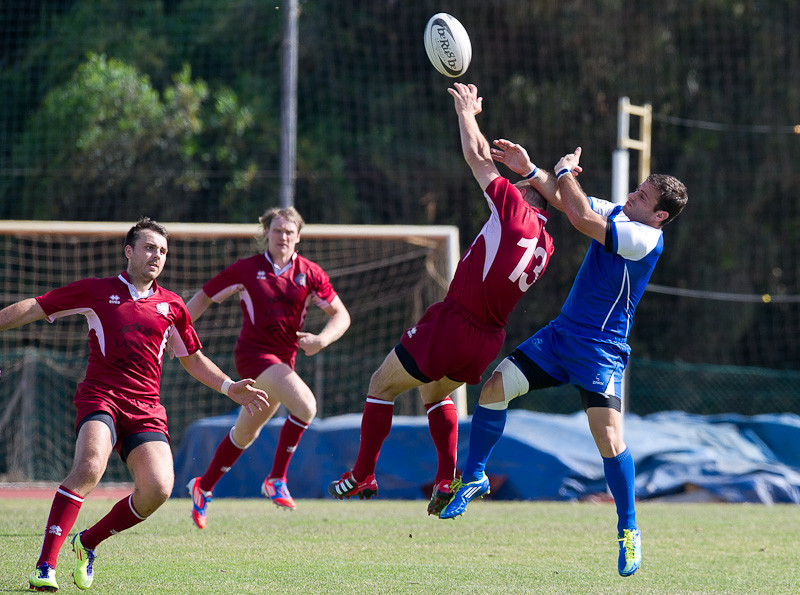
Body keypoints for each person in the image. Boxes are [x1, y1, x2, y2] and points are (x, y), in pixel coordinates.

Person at [439, 140, 688, 578]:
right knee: (495, 388)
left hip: (601, 350)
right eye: (638, 190)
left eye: (643, 198)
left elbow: (578, 216)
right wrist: (532, 169)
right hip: (561, 336)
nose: (633, 197)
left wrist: (565, 171)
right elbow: (560, 196)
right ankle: (473, 475)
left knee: (609, 440)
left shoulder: (644, 237)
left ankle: (628, 528)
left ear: (660, 215)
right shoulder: (622, 213)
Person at [2, 217, 269, 592]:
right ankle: (46, 566)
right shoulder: (98, 291)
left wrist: (229, 386)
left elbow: (191, 358)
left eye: (161, 251)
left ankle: (87, 542)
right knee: (90, 466)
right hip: (101, 397)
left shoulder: (173, 305)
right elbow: (35, 306)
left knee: (159, 488)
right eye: (148, 247)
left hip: (145, 409)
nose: (155, 256)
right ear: (129, 251)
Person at [327, 82, 555, 516]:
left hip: (455, 322)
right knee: (435, 395)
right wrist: (532, 173)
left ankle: (362, 474)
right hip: (487, 338)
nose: (512, 182)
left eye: (521, 182)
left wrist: (466, 113)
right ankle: (446, 478)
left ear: (528, 192)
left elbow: (477, 158)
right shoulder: (547, 239)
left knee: (380, 386)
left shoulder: (513, 210)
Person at [185, 206, 350, 525]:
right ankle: (276, 479)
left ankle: (203, 488)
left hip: (283, 363)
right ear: (267, 235)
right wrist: (177, 330)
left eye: (289, 232)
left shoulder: (310, 272)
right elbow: (204, 295)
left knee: (244, 434)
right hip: (253, 357)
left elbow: (341, 315)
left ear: (298, 237)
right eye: (277, 231)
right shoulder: (247, 269)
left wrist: (322, 340)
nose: (283, 237)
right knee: (306, 406)